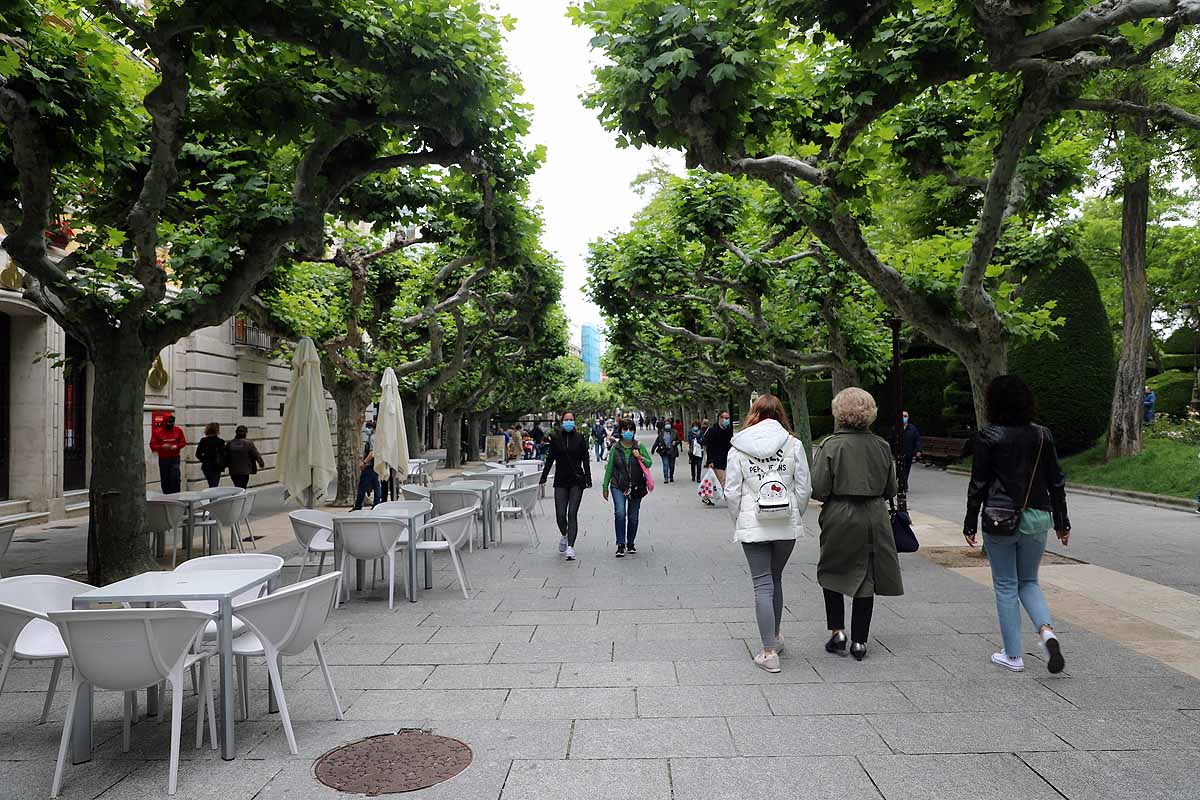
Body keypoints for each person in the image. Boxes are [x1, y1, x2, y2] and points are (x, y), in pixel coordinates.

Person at [965, 375, 1071, 675]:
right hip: (1038, 517)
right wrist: (1062, 523)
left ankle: (1013, 656)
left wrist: (970, 521)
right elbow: (1056, 481)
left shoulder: (988, 435)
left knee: (1006, 585)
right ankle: (1046, 632)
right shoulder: (1042, 435)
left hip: (1000, 518)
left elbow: (979, 484)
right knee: (1029, 581)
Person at [812, 388, 903, 662]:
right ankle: (860, 641)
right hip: (874, 514)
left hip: (840, 513)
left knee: (832, 571)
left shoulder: (831, 445)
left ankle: (838, 631)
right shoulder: (882, 446)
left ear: (840, 412)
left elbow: (818, 488)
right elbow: (892, 487)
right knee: (867, 577)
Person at [724, 394, 811, 673]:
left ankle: (768, 651)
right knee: (775, 578)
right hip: (785, 522)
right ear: (781, 414)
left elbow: (732, 492)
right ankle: (775, 636)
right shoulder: (793, 444)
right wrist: (797, 513)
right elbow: (804, 488)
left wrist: (740, 519)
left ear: (753, 413)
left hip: (754, 524)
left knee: (762, 583)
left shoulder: (738, 447)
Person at [540, 412, 592, 561]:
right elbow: (550, 459)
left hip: (577, 481)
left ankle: (570, 546)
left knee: (572, 513)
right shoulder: (556, 439)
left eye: (571, 420)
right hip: (561, 481)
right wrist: (543, 477)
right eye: (566, 420)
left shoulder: (580, 438)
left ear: (575, 422)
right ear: (562, 422)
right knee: (560, 514)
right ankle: (564, 533)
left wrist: (588, 478)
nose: (569, 422)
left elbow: (586, 459)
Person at [602, 419, 652, 557]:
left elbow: (649, 463)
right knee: (620, 513)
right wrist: (605, 486)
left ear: (634, 431)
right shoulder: (615, 448)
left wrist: (640, 457)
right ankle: (620, 544)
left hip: (636, 486)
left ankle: (631, 543)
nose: (628, 432)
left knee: (633, 517)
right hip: (617, 485)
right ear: (621, 431)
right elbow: (610, 468)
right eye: (625, 429)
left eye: (630, 429)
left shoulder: (639, 446)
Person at [150, 414, 187, 494]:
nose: (171, 424)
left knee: (175, 477)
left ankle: (177, 495)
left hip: (175, 457)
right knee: (165, 478)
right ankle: (167, 495)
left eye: (172, 422)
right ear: (164, 422)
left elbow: (183, 442)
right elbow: (152, 445)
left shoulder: (178, 430)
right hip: (164, 459)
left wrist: (176, 446)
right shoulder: (157, 432)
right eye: (169, 422)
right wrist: (162, 447)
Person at [704, 410, 734, 499]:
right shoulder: (712, 431)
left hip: (727, 458)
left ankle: (706, 497)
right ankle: (729, 498)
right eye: (725, 418)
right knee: (722, 479)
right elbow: (709, 447)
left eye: (728, 418)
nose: (727, 420)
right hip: (716, 459)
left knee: (715, 480)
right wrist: (710, 461)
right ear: (720, 418)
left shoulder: (728, 430)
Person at [225, 425, 265, 489]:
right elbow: (256, 455)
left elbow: (226, 456)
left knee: (237, 486)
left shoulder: (229, 443)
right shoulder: (249, 443)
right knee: (243, 486)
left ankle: (238, 495)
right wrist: (261, 463)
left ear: (236, 432)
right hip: (245, 471)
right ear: (246, 433)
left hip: (233, 470)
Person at [354, 420, 381, 510]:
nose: (366, 429)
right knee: (376, 485)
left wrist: (364, 463)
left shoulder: (372, 438)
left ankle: (358, 506)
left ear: (373, 428)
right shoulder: (376, 437)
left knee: (362, 485)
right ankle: (377, 504)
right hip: (375, 465)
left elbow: (372, 452)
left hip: (369, 466)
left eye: (368, 427)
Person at [195, 422, 227, 488]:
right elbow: (223, 455)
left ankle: (211, 497)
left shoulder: (203, 440)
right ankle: (212, 497)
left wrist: (204, 460)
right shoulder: (220, 441)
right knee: (214, 485)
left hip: (206, 466)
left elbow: (198, 454)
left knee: (211, 484)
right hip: (216, 466)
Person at [899, 410, 922, 489]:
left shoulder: (912, 429)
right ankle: (902, 484)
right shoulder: (896, 427)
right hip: (899, 453)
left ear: (908, 418)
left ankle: (903, 484)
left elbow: (917, 440)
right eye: (902, 416)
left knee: (906, 469)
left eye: (905, 416)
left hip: (909, 453)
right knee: (900, 470)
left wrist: (918, 450)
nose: (904, 418)